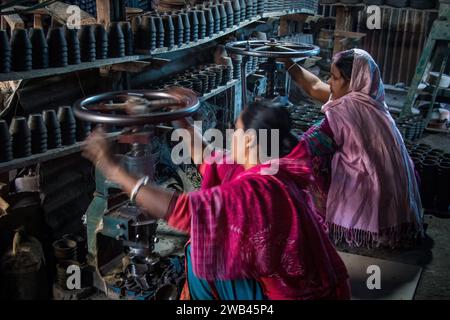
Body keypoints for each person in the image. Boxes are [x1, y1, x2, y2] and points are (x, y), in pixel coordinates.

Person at [82, 99, 350, 300]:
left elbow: (184, 211)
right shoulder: (274, 168)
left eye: (236, 129)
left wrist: (112, 167)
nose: (231, 136)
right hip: (311, 286)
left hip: (289, 295)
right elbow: (210, 158)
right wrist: (181, 120)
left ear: (247, 141)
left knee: (201, 252)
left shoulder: (259, 190)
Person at [284, 49, 424, 248]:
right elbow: (315, 87)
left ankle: (332, 220)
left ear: (353, 81)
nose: (329, 82)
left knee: (312, 161)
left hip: (372, 199)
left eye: (334, 77)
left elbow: (305, 146)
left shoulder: (345, 111)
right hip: (399, 207)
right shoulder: (373, 99)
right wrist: (288, 63)